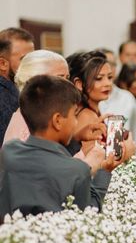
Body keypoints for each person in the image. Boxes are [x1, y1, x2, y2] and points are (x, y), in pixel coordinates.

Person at [0, 76, 118, 218]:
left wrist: (75, 137)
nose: (76, 122)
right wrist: (105, 171)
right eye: (74, 115)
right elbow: (88, 214)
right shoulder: (77, 170)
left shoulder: (9, 151)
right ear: (57, 120)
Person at [68, 51, 136, 160]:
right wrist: (126, 153)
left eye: (110, 77)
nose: (107, 84)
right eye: (99, 79)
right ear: (79, 84)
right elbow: (90, 164)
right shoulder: (87, 116)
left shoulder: (93, 111)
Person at [97, 48, 136, 160]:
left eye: (112, 64)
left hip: (123, 164)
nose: (108, 68)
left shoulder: (127, 98)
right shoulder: (85, 99)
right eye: (103, 64)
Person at [0, 28, 35, 144]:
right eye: (25, 59)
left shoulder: (19, 92)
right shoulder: (4, 98)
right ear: (3, 64)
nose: (33, 64)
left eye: (33, 58)